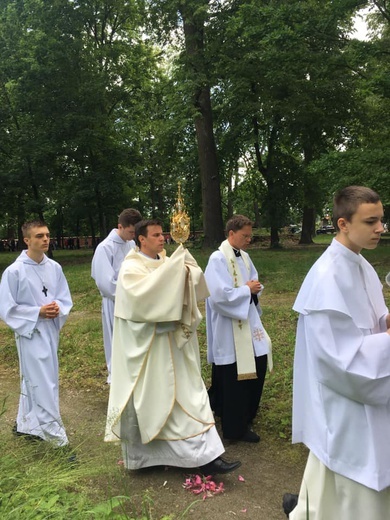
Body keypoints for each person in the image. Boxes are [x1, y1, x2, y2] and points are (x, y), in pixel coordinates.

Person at [284, 186, 390, 519]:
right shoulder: (327, 278)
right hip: (348, 405)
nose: (380, 229)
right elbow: (340, 364)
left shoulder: (362, 264)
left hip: (367, 403)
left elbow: (372, 320)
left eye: (382, 220)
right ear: (342, 223)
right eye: (370, 221)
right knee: (354, 484)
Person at [104, 219, 241, 475]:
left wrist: (186, 268)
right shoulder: (130, 267)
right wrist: (176, 271)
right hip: (149, 351)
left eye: (162, 234)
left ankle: (206, 457)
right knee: (152, 402)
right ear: (141, 239)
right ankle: (145, 459)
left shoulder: (168, 261)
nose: (162, 239)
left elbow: (194, 283)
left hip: (175, 347)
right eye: (155, 235)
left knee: (191, 399)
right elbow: (143, 298)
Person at [0, 220, 73, 446]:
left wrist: (57, 308)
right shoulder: (14, 272)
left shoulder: (54, 267)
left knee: (36, 379)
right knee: (43, 383)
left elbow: (64, 297)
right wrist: (37, 312)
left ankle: (26, 425)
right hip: (30, 333)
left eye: (47, 235)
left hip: (50, 330)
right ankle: (57, 439)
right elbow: (7, 308)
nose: (45, 239)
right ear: (27, 240)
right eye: (39, 236)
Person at [204, 215, 272, 443]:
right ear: (231, 233)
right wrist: (246, 290)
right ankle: (235, 428)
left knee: (257, 362)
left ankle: (236, 412)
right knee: (234, 375)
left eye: (250, 235)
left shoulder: (244, 256)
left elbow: (255, 282)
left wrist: (253, 289)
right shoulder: (217, 259)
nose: (248, 240)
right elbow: (219, 296)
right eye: (245, 236)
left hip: (247, 320)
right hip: (228, 325)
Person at [91, 208, 142, 383]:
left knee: (131, 340)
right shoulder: (105, 248)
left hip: (133, 300)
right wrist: (130, 292)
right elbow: (105, 284)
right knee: (116, 340)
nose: (133, 235)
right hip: (115, 300)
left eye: (135, 232)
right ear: (120, 226)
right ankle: (117, 378)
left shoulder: (131, 245)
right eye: (131, 231)